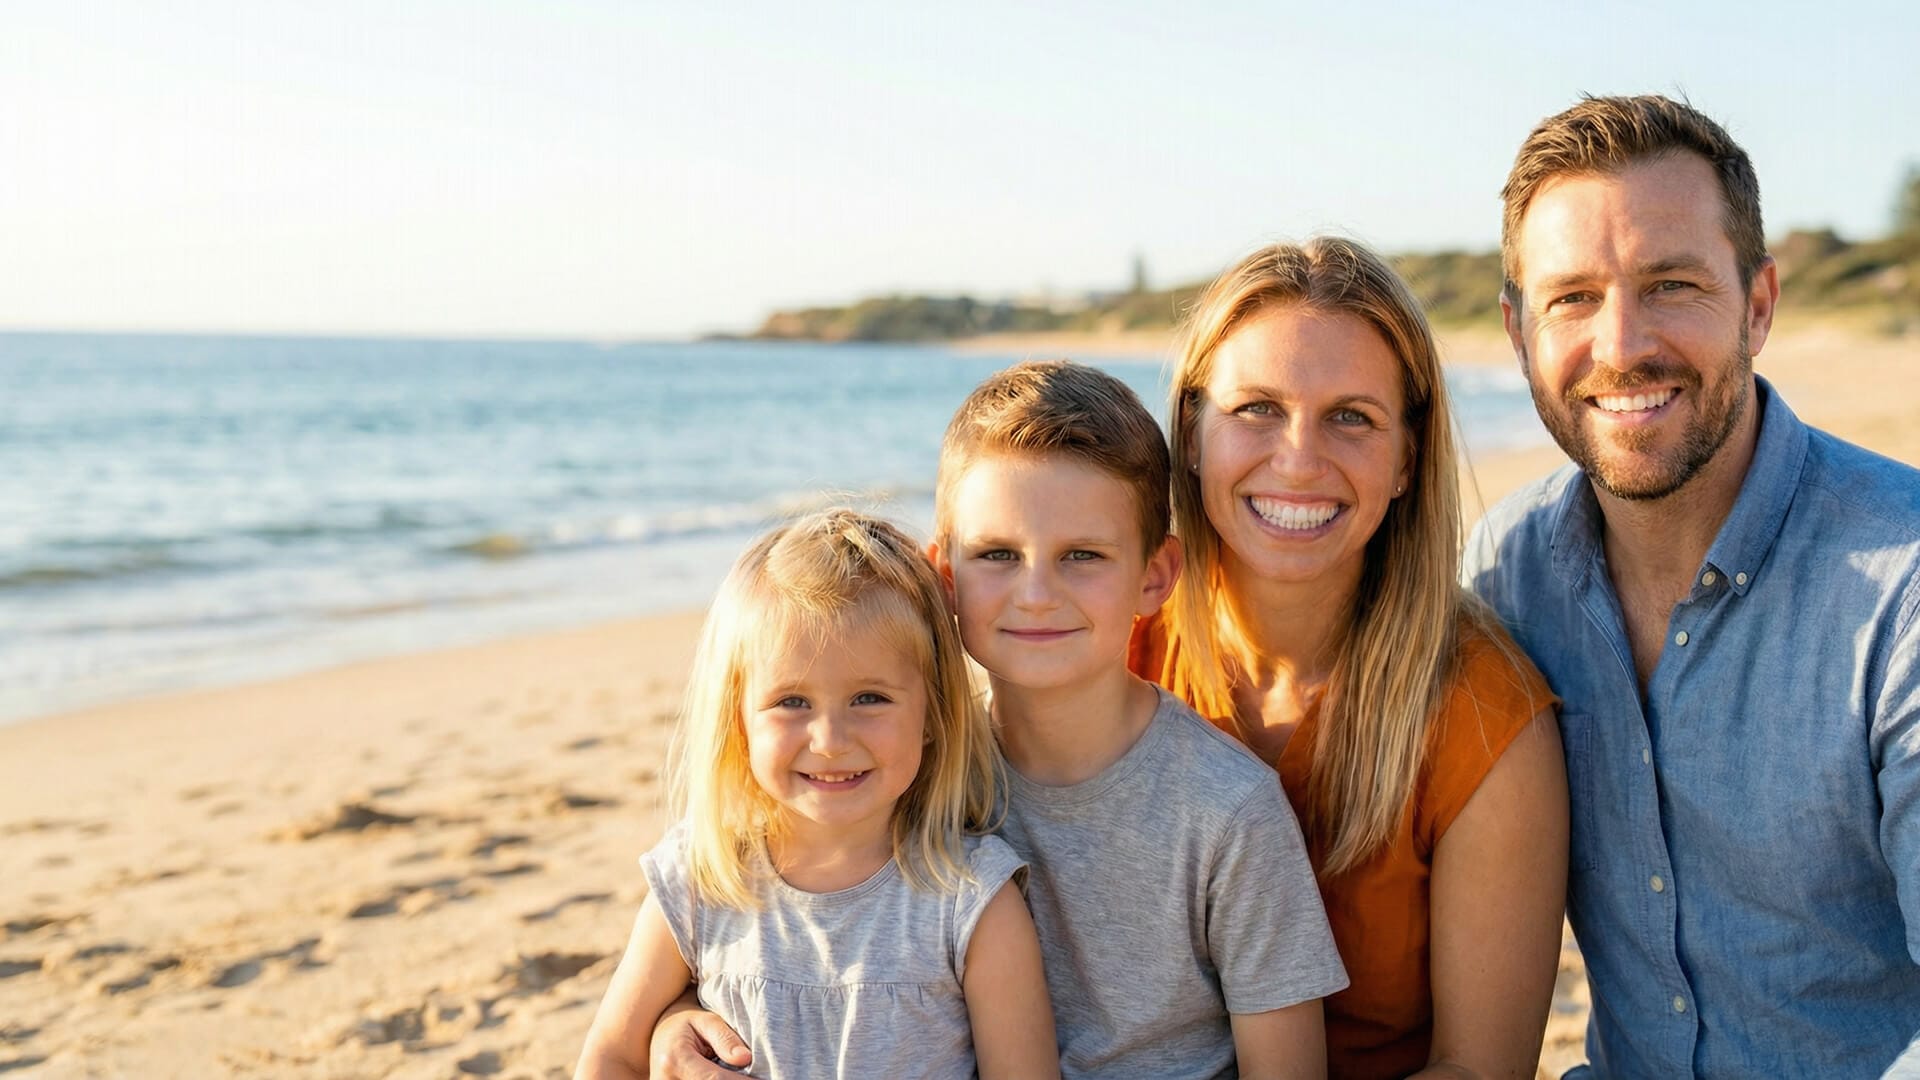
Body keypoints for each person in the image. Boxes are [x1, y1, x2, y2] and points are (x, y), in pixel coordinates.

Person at [653, 361, 1348, 1079]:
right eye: (997, 556)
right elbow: (765, 929)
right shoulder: (887, 766)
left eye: (1082, 556)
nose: (1037, 594)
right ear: (943, 575)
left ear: (1154, 576)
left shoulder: (1230, 812)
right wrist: (672, 1021)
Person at [1464, 94, 1920, 1078]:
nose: (1622, 344)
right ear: (1517, 331)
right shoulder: (1506, 573)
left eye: (1671, 284)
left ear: (1759, 304)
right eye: (1572, 297)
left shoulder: (1904, 588)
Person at [1132, 235, 1568, 1078]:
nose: (1298, 460)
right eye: (1255, 407)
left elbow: (1478, 1071)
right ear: (1191, 432)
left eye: (1351, 418)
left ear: (1407, 458)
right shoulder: (1114, 642)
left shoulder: (1483, 717)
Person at [572, 509, 1059, 1080]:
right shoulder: (700, 878)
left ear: (932, 712)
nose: (830, 741)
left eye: (870, 698)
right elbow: (611, 1057)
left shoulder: (972, 901)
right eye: (792, 703)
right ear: (739, 717)